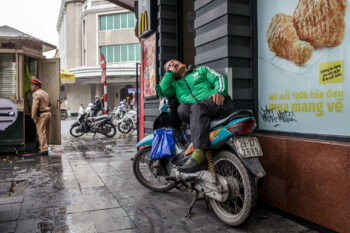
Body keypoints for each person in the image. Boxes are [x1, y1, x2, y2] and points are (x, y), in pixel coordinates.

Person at [157, 60, 234, 173]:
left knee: (197, 107)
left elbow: (219, 78)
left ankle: (198, 153)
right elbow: (163, 91)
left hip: (217, 103)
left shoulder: (200, 70)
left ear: (181, 62)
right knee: (182, 108)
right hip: (199, 112)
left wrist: (220, 92)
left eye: (174, 62)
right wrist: (170, 74)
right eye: (169, 66)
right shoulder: (175, 85)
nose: (172, 64)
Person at [31, 77, 51, 156]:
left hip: (41, 115)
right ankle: (45, 147)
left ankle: (44, 150)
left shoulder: (35, 93)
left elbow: (34, 106)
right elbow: (50, 104)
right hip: (48, 114)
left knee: (41, 133)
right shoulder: (46, 93)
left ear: (37, 86)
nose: (31, 87)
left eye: (32, 85)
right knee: (46, 132)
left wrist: (33, 117)